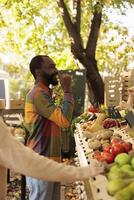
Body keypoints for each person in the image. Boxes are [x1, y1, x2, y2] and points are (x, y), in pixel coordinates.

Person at [0, 119, 104, 200]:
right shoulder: (38, 96)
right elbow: (30, 163)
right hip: (42, 157)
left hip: (48, 157)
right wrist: (83, 171)